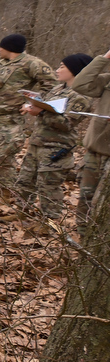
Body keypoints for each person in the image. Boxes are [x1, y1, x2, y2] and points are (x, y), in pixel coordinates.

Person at [8, 53, 92, 232]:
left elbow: (68, 123)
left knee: (48, 187)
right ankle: (22, 212)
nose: (57, 70)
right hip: (38, 143)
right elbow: (44, 107)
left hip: (56, 148)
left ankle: (50, 223)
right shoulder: (56, 89)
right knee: (25, 180)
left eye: (62, 67)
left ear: (75, 71)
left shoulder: (81, 96)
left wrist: (41, 112)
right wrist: (32, 106)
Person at [0, 34, 56, 192]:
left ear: (10, 48)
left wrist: (31, 104)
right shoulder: (0, 63)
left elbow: (52, 87)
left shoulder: (32, 63)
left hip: (10, 119)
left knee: (4, 159)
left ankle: (6, 195)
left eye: (1, 47)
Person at [72, 48, 110, 236]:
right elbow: (80, 84)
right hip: (95, 150)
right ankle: (82, 239)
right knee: (85, 198)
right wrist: (104, 58)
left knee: (103, 205)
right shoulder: (108, 78)